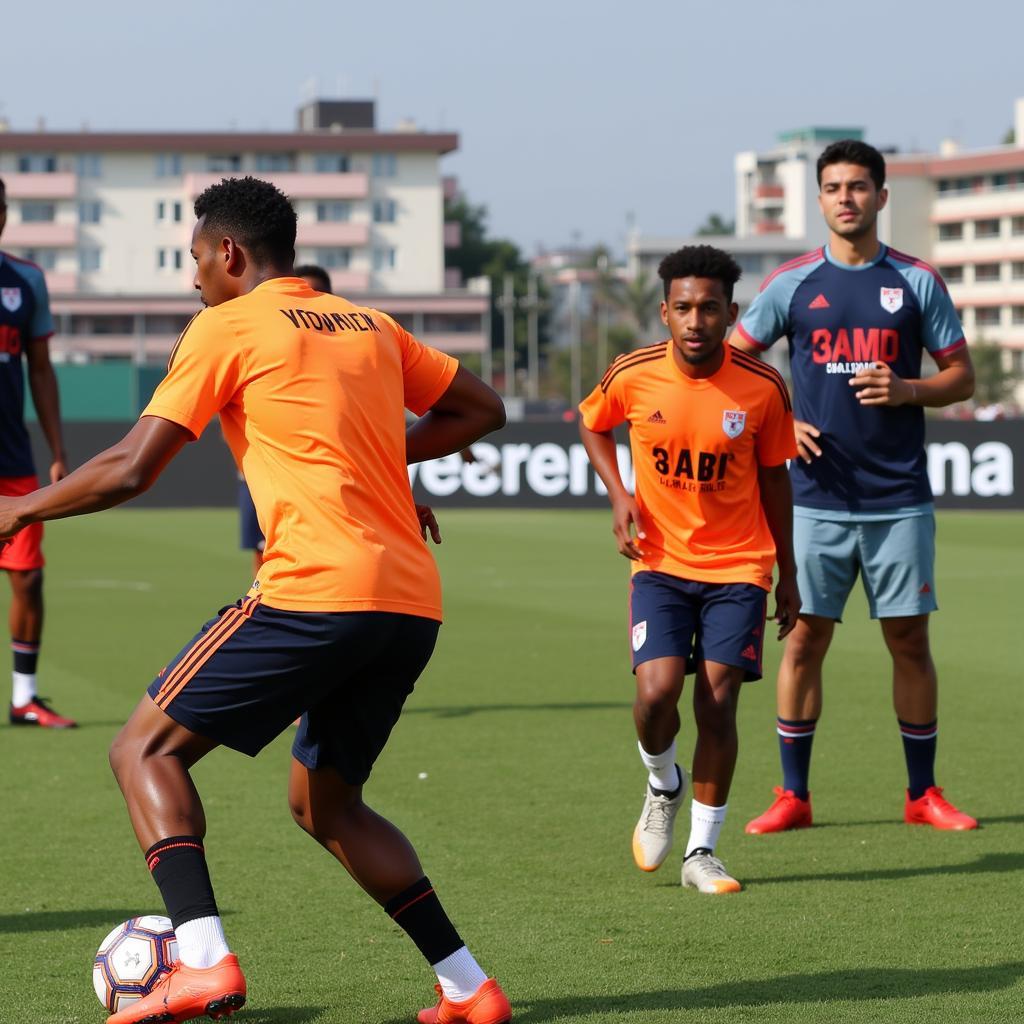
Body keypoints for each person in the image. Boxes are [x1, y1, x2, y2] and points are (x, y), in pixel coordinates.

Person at [0, 176, 511, 1024]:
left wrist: (18, 508)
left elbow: (131, 466)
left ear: (229, 253)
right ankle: (469, 986)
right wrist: (390, 463)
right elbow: (481, 407)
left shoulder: (227, 324)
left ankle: (202, 961)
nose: (192, 278)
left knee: (141, 752)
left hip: (315, 591)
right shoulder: (368, 323)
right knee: (327, 803)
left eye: (195, 259)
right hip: (409, 603)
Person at [733, 139, 978, 834]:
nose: (847, 198)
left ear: (881, 196)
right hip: (813, 499)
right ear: (819, 199)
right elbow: (736, 365)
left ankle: (922, 794)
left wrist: (908, 388)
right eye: (834, 187)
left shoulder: (917, 281)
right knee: (805, 640)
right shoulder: (792, 283)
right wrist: (780, 422)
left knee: (909, 641)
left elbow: (962, 376)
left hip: (898, 497)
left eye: (859, 186)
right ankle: (793, 796)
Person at [579, 245, 799, 894]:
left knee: (720, 697)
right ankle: (662, 782)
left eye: (709, 308)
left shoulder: (762, 387)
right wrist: (621, 495)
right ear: (664, 312)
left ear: (731, 313)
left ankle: (702, 851)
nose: (695, 320)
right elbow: (594, 425)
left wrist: (788, 571)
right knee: (655, 695)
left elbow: (776, 481)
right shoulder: (634, 373)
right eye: (683, 308)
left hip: (739, 566)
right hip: (661, 564)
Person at [0, 177, 74, 729]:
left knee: (28, 578)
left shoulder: (27, 279)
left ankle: (25, 697)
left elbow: (42, 370)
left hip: (14, 463)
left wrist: (57, 449)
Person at [235, 264, 331, 577]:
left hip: (322, 478)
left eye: (315, 293)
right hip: (265, 476)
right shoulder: (261, 341)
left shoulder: (350, 347)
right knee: (264, 552)